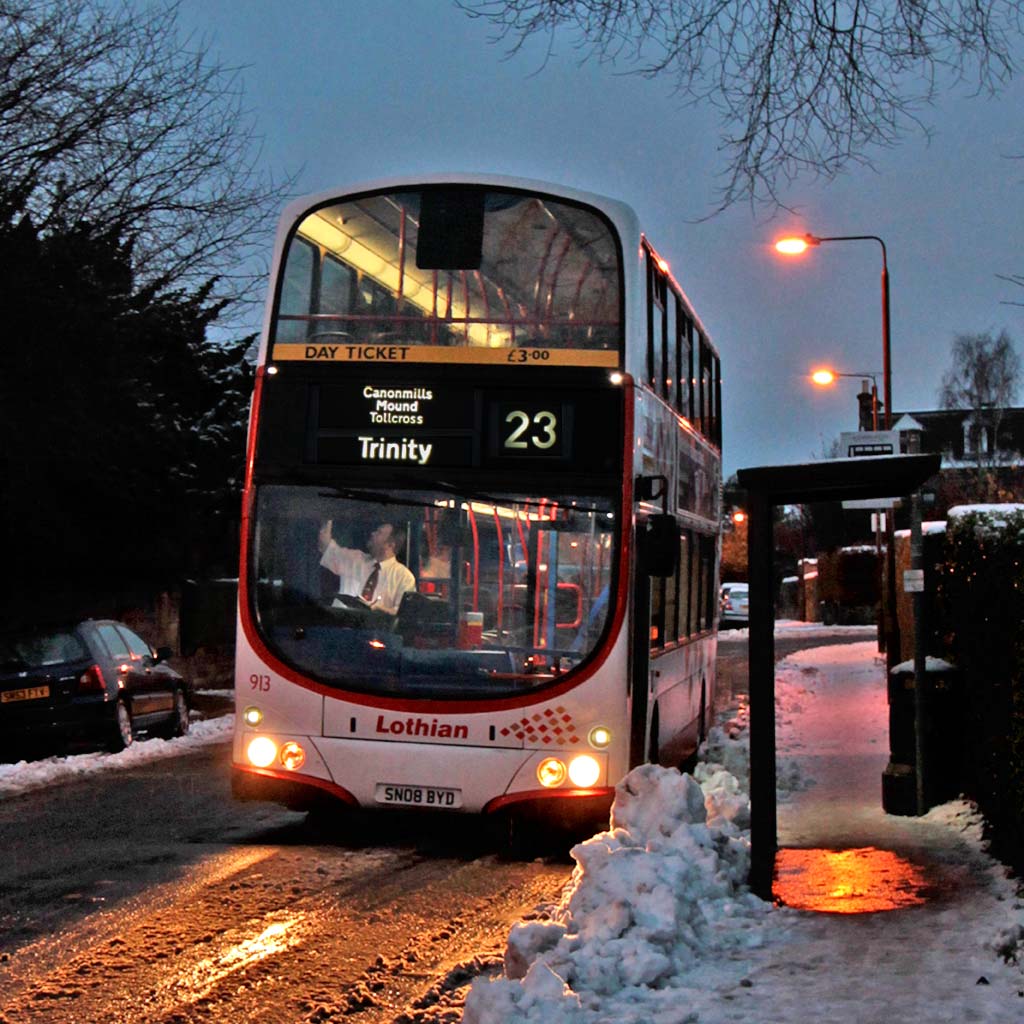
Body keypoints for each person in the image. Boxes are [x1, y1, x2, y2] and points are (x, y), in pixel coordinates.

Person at [318, 519, 415, 615]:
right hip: (340, 624)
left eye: (379, 532)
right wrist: (328, 518)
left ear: (390, 545)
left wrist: (377, 609)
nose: (373, 533)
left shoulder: (404, 577)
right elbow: (325, 547)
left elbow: (403, 615)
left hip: (374, 629)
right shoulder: (354, 559)